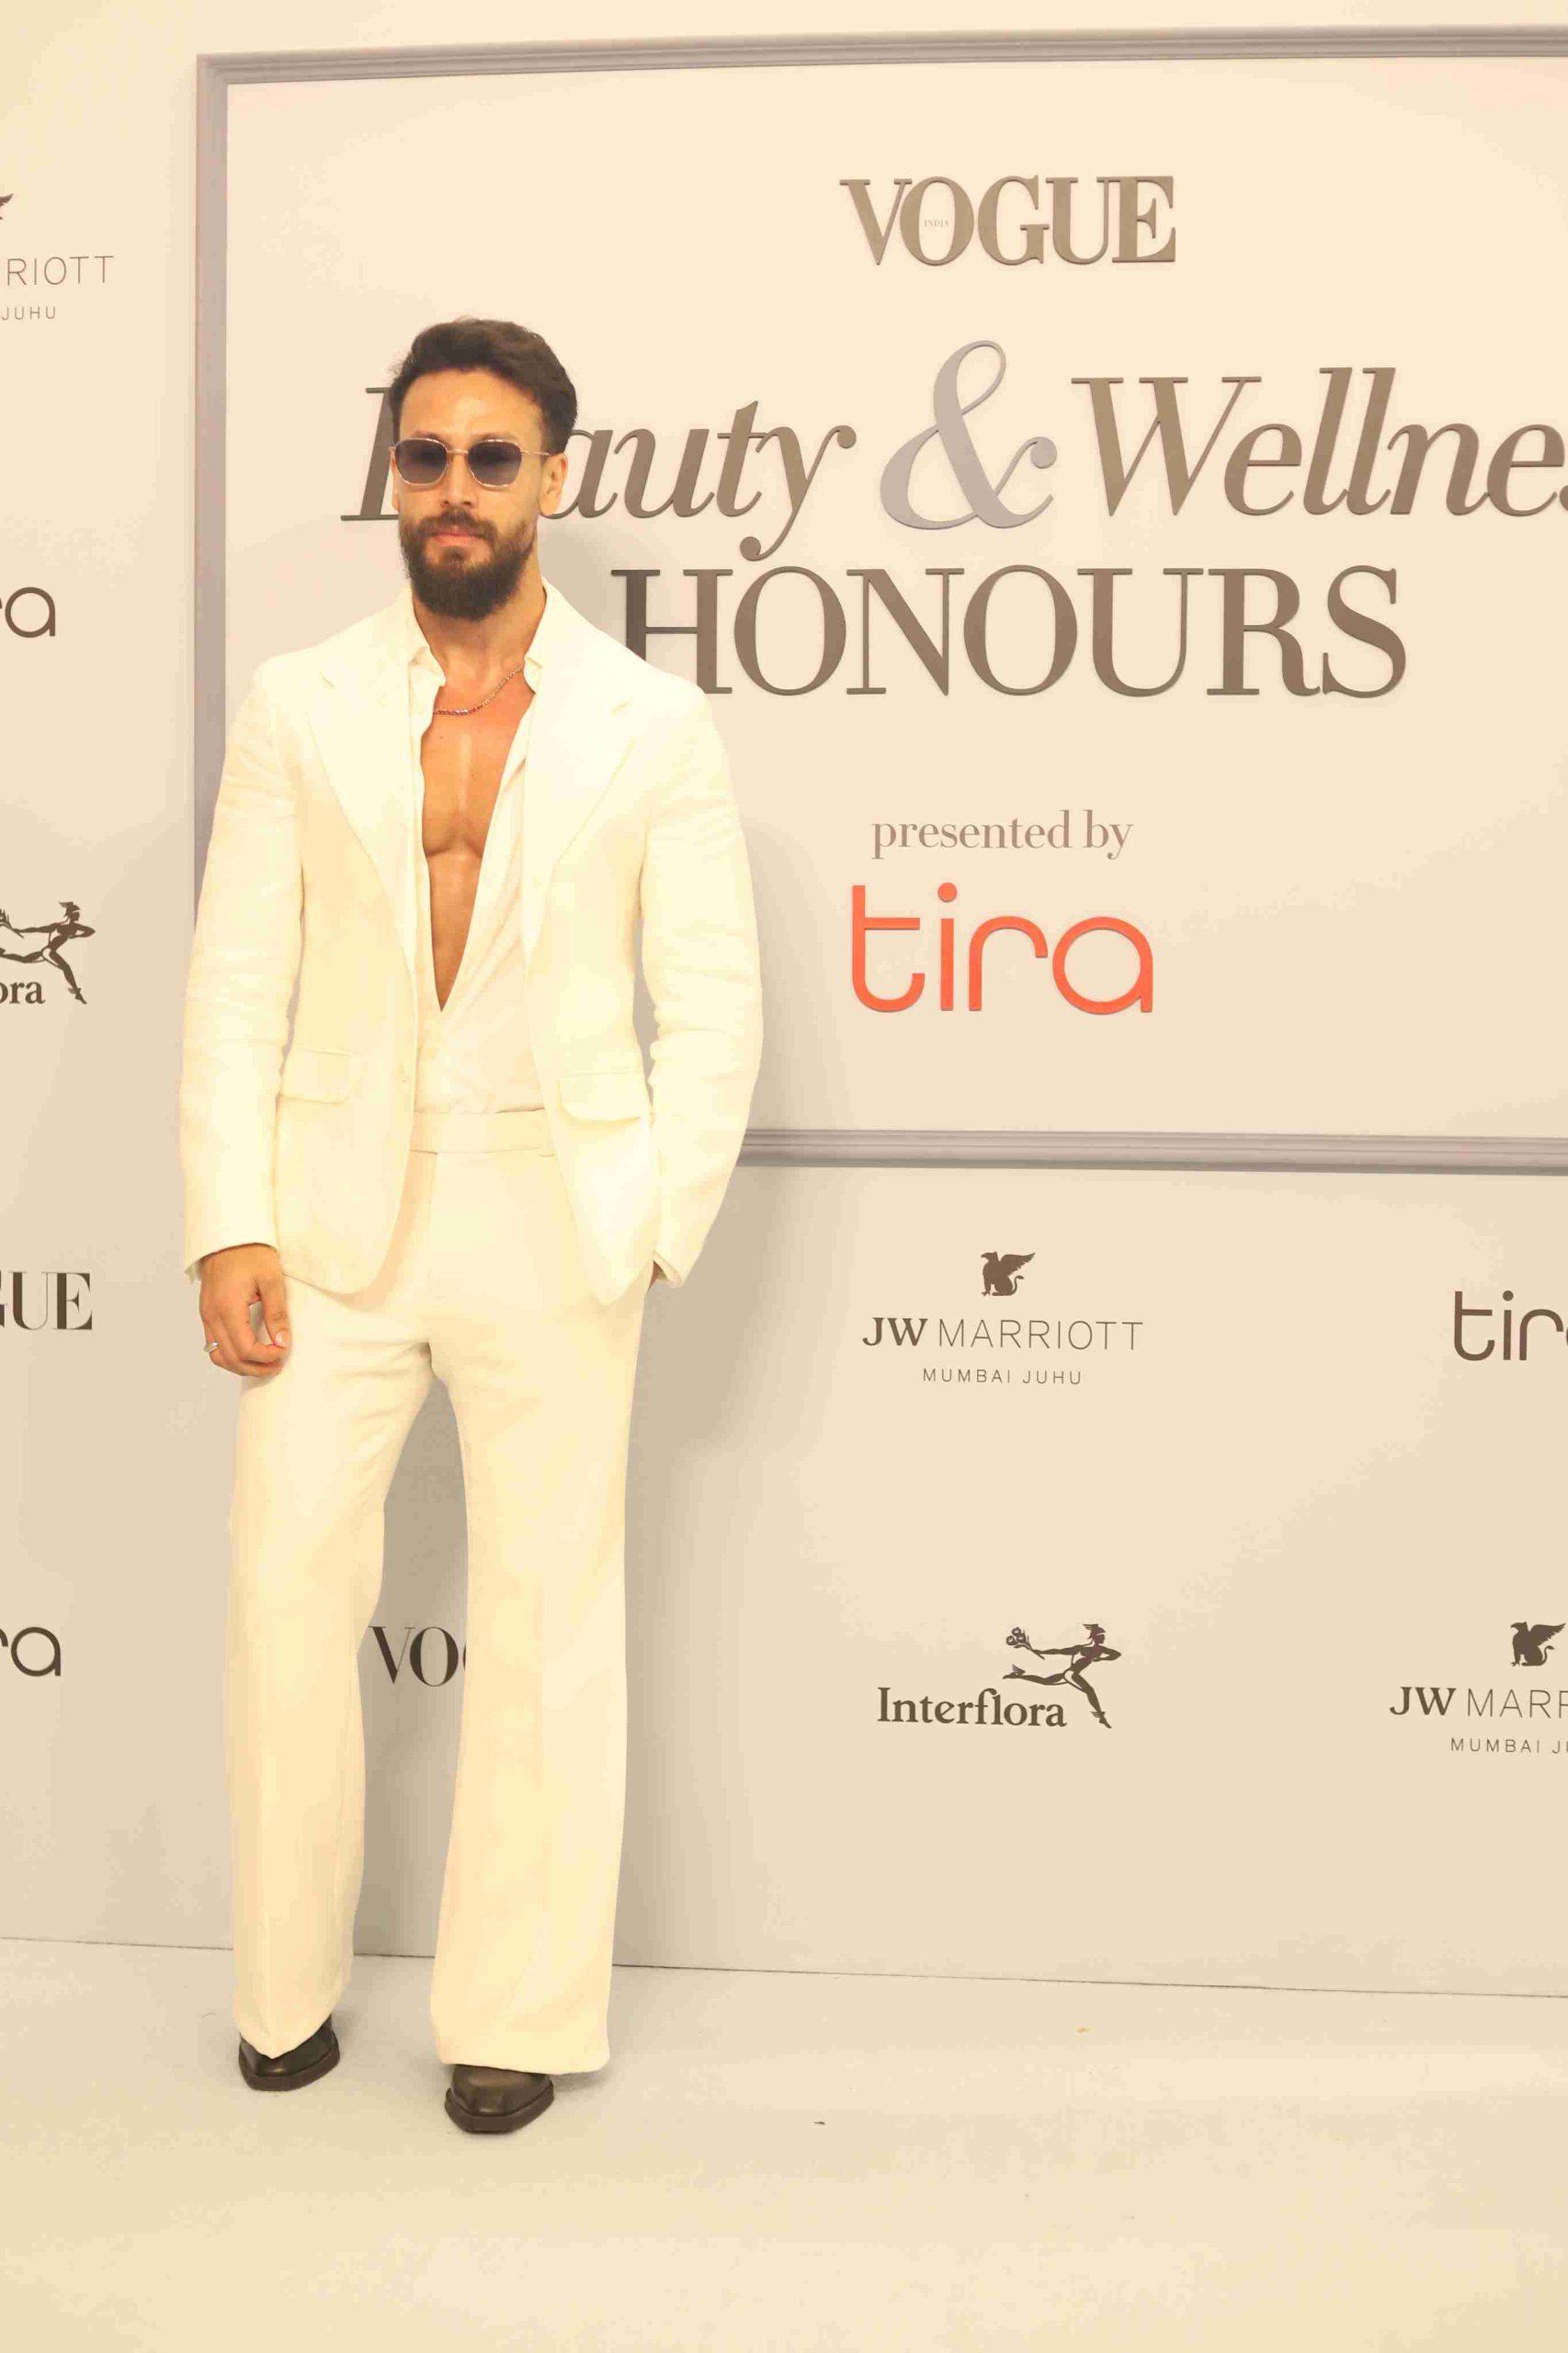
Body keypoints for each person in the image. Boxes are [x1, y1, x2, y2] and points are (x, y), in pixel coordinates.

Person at [178, 315, 764, 2134]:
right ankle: (282, 1993)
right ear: (395, 475)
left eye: (490, 457)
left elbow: (712, 997)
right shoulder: (300, 702)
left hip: (551, 1205)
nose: (452, 488)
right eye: (423, 455)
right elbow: (237, 979)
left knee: (542, 1615)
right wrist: (228, 1222)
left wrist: (648, 1218)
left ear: (552, 477)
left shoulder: (653, 725)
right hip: (330, 1213)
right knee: (285, 1598)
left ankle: (513, 2013)